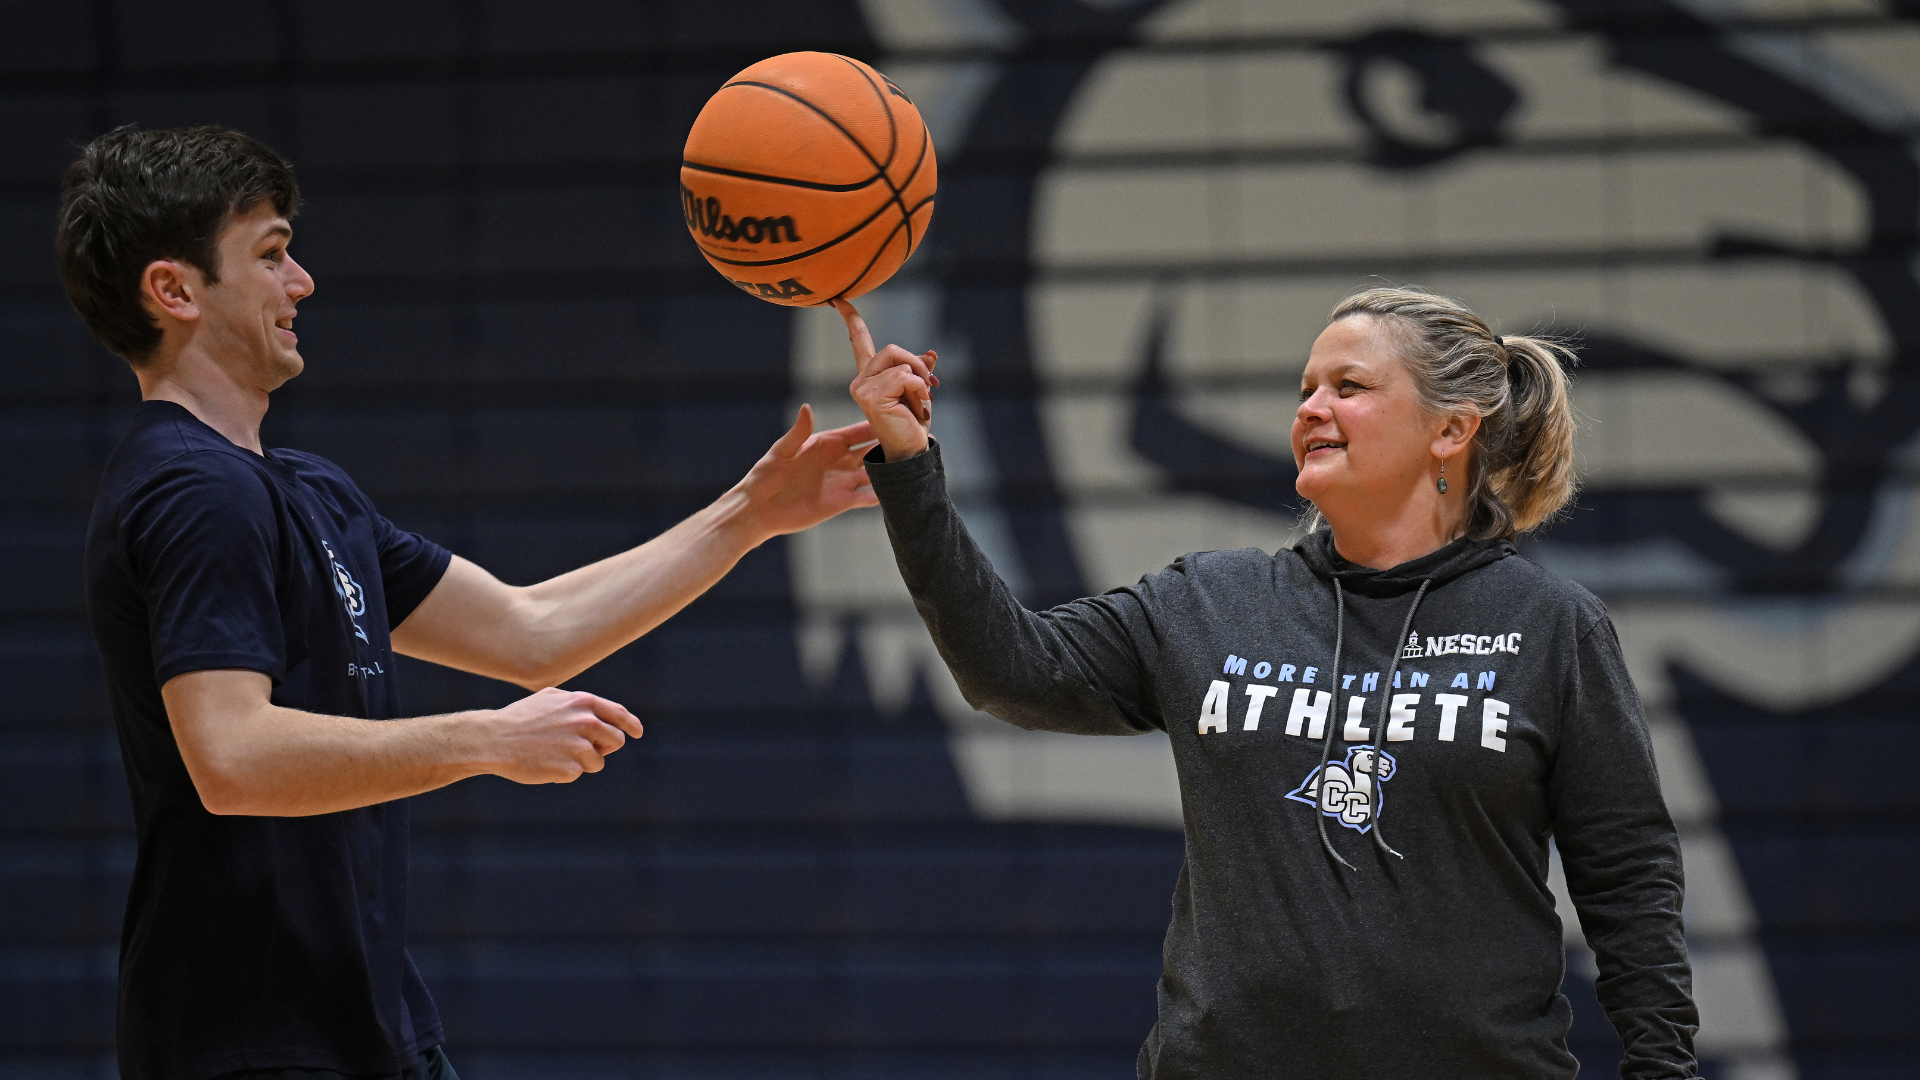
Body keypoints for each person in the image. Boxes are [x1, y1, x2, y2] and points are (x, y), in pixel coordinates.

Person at [59, 125, 878, 1080]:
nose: (303, 283)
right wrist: (487, 742)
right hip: (252, 1045)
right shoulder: (193, 490)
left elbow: (535, 633)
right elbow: (233, 757)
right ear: (175, 290)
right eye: (273, 255)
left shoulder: (304, 488)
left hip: (373, 1030)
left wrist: (751, 513)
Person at [835, 286, 1702, 1078]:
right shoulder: (1210, 600)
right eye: (1305, 390)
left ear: (1451, 430)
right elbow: (1011, 670)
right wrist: (911, 464)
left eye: (1349, 387)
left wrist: (1664, 1072)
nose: (1312, 410)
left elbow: (1628, 876)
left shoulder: (1550, 625)